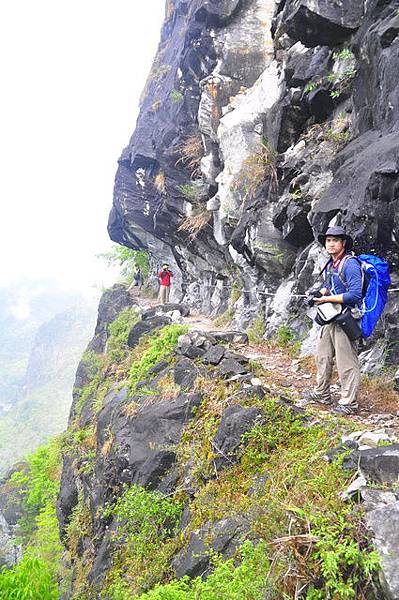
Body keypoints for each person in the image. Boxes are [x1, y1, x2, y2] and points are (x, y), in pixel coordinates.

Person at [305, 226, 363, 415]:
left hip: (346, 318)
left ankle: (349, 402)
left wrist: (326, 299)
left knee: (346, 361)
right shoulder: (332, 264)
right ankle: (322, 393)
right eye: (328, 240)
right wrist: (317, 294)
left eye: (334, 240)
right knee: (322, 356)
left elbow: (354, 295)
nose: (330, 244)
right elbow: (328, 287)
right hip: (332, 316)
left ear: (343, 243)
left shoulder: (350, 264)